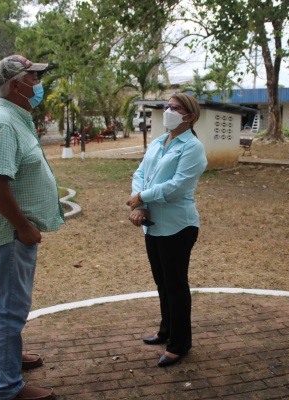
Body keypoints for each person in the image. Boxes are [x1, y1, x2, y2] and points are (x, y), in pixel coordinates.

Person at [0, 55, 64, 400]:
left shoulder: (13, 117)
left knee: (8, 301)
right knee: (10, 307)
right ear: (14, 85)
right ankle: (9, 387)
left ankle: (3, 356)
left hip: (12, 232)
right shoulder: (3, 123)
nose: (39, 83)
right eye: (33, 77)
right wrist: (23, 228)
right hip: (11, 233)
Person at [126, 93, 208, 367]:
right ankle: (166, 330)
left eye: (175, 107)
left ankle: (179, 343)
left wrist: (142, 197)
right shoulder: (159, 141)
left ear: (189, 116)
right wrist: (140, 205)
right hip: (153, 225)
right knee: (162, 282)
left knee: (175, 285)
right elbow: (140, 173)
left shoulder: (192, 148)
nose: (168, 111)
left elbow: (177, 186)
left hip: (178, 226)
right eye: (166, 106)